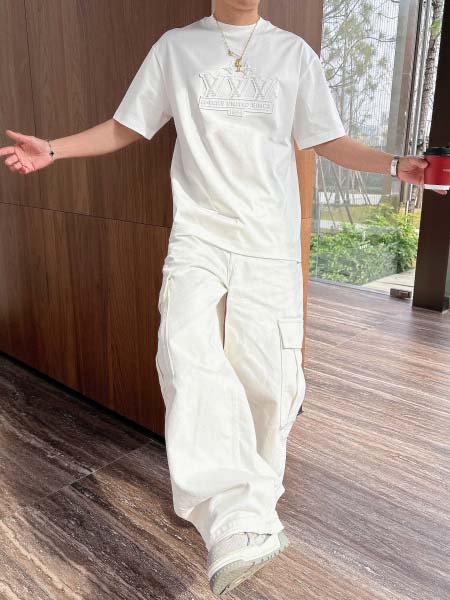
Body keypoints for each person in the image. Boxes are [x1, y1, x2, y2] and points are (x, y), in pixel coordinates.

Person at [1, 0, 446, 595]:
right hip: (200, 236)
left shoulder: (293, 54)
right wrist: (52, 148)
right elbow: (126, 126)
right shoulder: (175, 48)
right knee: (185, 355)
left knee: (267, 383)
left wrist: (395, 166)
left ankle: (251, 507)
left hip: (269, 241)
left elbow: (329, 139)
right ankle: (235, 520)